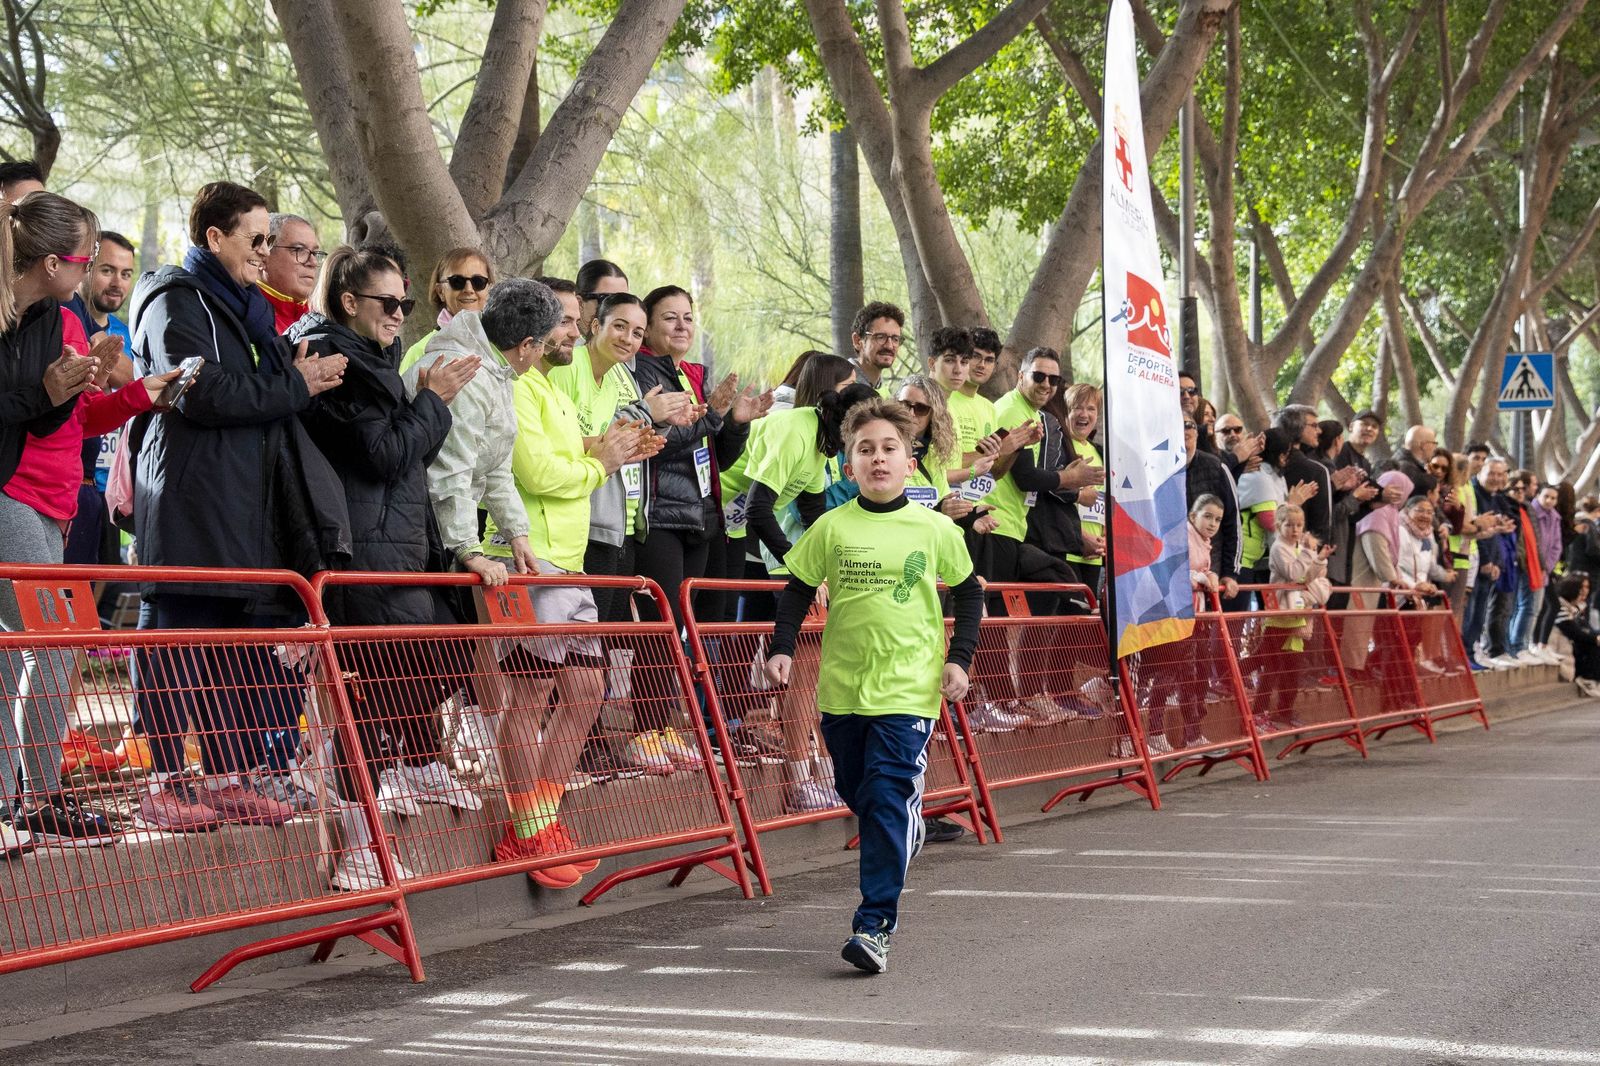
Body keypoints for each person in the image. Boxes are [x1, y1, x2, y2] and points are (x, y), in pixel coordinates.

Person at [127, 180, 348, 832]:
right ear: (213, 237)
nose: (265, 252)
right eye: (255, 240)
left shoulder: (246, 312)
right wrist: (294, 383)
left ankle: (228, 778)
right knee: (177, 640)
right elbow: (201, 390)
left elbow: (256, 386)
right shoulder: (176, 300)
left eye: (267, 240)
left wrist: (296, 376)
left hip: (245, 506)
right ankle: (163, 782)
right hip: (190, 500)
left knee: (233, 650)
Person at [763, 397, 982, 974]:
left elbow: (969, 593)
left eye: (890, 449)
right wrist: (782, 648)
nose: (878, 459)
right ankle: (900, 832)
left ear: (911, 463)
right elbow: (796, 590)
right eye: (866, 450)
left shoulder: (935, 528)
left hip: (910, 689)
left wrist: (958, 660)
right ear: (847, 464)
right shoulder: (830, 528)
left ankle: (874, 924)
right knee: (858, 792)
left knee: (885, 796)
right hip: (841, 692)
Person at [289, 247, 484, 857]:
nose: (402, 313)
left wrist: (423, 407)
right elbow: (383, 456)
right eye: (388, 303)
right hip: (362, 551)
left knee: (447, 659)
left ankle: (351, 773)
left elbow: (406, 458)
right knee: (381, 688)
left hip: (402, 547)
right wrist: (433, 402)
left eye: (405, 302)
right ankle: (356, 839)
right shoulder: (335, 360)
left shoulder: (378, 361)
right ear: (349, 303)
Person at [486, 278, 662, 890]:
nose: (570, 329)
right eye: (562, 320)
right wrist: (601, 462)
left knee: (587, 690)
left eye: (572, 318)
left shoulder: (550, 390)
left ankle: (543, 816)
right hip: (531, 563)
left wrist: (611, 446)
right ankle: (524, 829)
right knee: (531, 697)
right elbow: (535, 471)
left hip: (570, 560)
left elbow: (568, 456)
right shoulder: (519, 388)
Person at [0, 192, 160, 852]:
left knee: (28, 650)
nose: (98, 271)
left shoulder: (58, 316)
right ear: (52, 263)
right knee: (55, 637)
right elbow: (30, 406)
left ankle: (27, 797)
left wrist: (135, 395)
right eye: (88, 259)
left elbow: (72, 418)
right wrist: (49, 391)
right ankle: (23, 797)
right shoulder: (29, 317)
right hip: (14, 493)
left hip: (54, 505)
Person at [547, 288, 694, 777]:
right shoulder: (565, 370)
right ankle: (556, 757)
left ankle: (584, 746)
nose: (630, 339)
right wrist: (635, 427)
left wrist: (640, 437)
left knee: (601, 647)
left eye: (636, 331)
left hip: (615, 524)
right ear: (594, 325)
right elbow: (565, 443)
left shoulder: (622, 380)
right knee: (562, 657)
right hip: (568, 526)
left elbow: (620, 442)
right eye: (620, 327)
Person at [717, 370, 877, 810]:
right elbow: (758, 508)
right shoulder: (795, 431)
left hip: (741, 529)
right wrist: (803, 570)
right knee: (802, 667)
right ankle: (795, 782)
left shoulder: (820, 445)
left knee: (813, 668)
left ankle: (813, 774)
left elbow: (811, 513)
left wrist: (833, 563)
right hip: (716, 513)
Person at [63, 230, 140, 567]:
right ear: (87, 268)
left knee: (101, 584)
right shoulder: (66, 315)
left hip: (109, 486)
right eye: (107, 270)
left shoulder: (126, 332)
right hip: (66, 481)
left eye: (126, 274)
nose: (117, 283)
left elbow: (135, 377)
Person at [400, 247, 496, 373]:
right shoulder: (420, 351)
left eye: (478, 282)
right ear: (440, 292)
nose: (468, 289)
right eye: (457, 282)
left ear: (488, 289)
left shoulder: (503, 346)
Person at [259, 213, 324, 333]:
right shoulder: (245, 314)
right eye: (299, 250)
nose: (313, 262)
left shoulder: (324, 317)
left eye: (315, 253)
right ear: (263, 256)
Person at [1552, 575, 1599, 698]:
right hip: (1561, 651)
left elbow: (1584, 628)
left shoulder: (1573, 608)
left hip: (1569, 646)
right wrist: (1595, 639)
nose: (1584, 592)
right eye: (1581, 589)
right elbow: (1574, 633)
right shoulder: (1560, 608)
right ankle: (1588, 679)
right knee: (1592, 644)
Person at [849, 301, 905, 394]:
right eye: (880, 337)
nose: (889, 346)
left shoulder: (884, 393)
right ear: (857, 341)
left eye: (895, 339)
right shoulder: (840, 386)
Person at [575, 258, 629, 342]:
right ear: (580, 303)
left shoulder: (624, 346)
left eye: (624, 301)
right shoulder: (564, 346)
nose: (617, 310)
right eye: (607, 300)